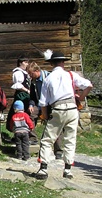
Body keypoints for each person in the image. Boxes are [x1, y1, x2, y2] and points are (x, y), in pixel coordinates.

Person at [36, 51, 93, 179]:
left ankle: (43, 169)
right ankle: (67, 170)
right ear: (62, 62)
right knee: (70, 139)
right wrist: (81, 98)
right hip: (73, 109)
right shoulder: (71, 75)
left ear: (51, 64)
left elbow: (43, 102)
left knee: (47, 138)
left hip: (58, 109)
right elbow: (89, 85)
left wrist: (45, 117)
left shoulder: (48, 79)